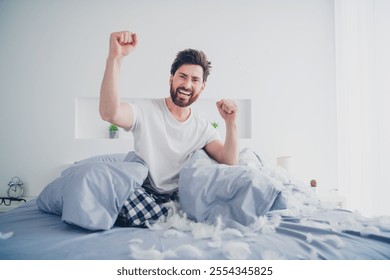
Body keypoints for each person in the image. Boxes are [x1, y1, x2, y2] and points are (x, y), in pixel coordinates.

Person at [99, 31, 239, 227]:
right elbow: (109, 113)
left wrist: (230, 123)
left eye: (195, 80)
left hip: (178, 199)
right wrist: (115, 58)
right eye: (182, 76)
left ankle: (170, 216)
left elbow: (229, 160)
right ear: (171, 78)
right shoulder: (146, 110)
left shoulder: (202, 127)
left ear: (202, 87)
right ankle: (167, 218)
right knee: (108, 188)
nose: (187, 84)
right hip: (143, 193)